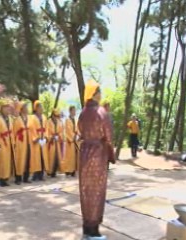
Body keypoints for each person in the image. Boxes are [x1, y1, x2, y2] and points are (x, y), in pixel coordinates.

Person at [78, 79, 115, 240]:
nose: (101, 95)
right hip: (98, 155)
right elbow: (108, 136)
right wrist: (111, 155)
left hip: (84, 153)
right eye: (99, 92)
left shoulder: (82, 113)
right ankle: (94, 230)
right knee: (97, 191)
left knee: (86, 190)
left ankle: (86, 227)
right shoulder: (101, 112)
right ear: (94, 94)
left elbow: (79, 130)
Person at [0, 99, 16, 187]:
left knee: (8, 161)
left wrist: (13, 141)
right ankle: (2, 179)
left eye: (8, 108)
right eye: (5, 108)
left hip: (9, 141)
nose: (7, 109)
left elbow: (12, 131)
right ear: (1, 109)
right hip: (2, 143)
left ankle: (6, 178)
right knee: (3, 161)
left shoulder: (10, 118)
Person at [29, 100, 49, 181]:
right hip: (37, 140)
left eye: (41, 107)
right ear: (36, 108)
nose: (41, 108)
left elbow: (47, 128)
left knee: (42, 157)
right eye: (40, 107)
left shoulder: (44, 117)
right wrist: (36, 138)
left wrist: (45, 137)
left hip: (43, 139)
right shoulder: (32, 118)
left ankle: (41, 174)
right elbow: (32, 129)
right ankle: (35, 174)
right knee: (36, 158)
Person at [13, 101, 32, 184]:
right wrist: (14, 143)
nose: (27, 109)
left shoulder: (29, 118)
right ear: (21, 109)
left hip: (28, 141)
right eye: (25, 107)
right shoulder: (17, 120)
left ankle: (26, 177)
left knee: (27, 159)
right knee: (20, 160)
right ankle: (18, 178)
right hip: (20, 142)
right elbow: (14, 132)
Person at [47, 108, 63, 178]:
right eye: (55, 116)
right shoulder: (48, 122)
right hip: (51, 141)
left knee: (57, 156)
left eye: (57, 116)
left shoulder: (59, 122)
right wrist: (51, 137)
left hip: (57, 141)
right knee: (51, 156)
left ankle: (55, 170)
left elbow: (61, 131)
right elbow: (47, 131)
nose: (56, 117)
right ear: (52, 115)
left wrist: (59, 136)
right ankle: (50, 171)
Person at [64, 106, 80, 177]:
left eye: (75, 110)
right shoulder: (67, 120)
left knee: (75, 155)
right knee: (70, 156)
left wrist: (78, 135)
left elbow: (77, 129)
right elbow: (68, 130)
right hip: (70, 140)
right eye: (73, 110)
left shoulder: (75, 120)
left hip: (75, 139)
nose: (74, 112)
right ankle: (68, 170)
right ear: (70, 111)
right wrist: (73, 137)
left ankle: (73, 170)